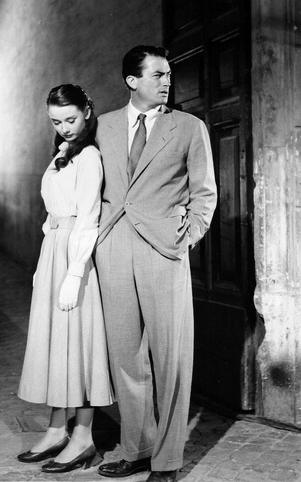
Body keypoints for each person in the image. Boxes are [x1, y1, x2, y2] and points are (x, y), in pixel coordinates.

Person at [95, 46, 217, 482]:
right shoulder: (103, 126)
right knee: (125, 357)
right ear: (132, 80)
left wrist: (186, 237)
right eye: (158, 74)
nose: (167, 81)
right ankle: (138, 448)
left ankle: (167, 461)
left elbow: (205, 193)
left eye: (168, 74)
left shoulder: (188, 127)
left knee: (171, 357)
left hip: (164, 250)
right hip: (113, 248)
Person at [17, 84, 114, 474]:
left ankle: (83, 435)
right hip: (54, 251)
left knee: (79, 344)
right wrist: (45, 265)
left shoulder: (89, 156)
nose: (65, 127)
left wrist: (74, 273)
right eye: (57, 122)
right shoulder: (62, 152)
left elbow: (88, 217)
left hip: (76, 254)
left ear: (87, 111)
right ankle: (57, 429)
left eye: (71, 119)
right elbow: (52, 212)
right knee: (59, 345)